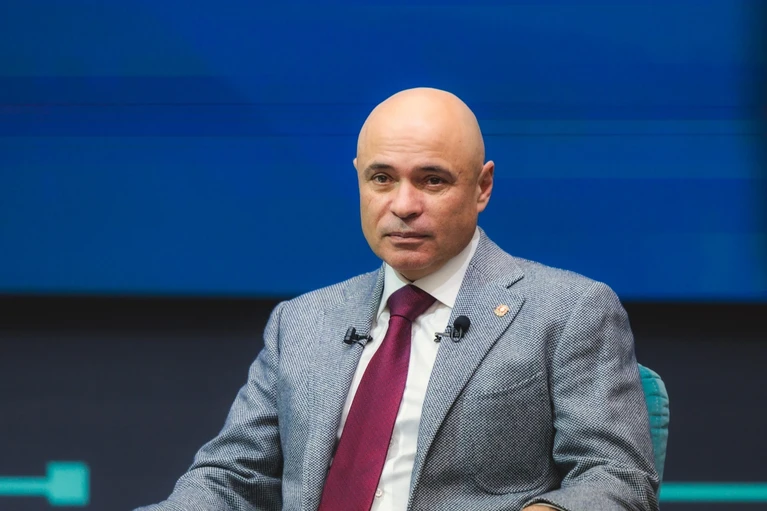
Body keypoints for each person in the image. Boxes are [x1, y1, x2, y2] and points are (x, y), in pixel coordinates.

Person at [136, 88, 659, 511]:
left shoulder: (568, 311)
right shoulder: (300, 322)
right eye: (382, 179)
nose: (404, 205)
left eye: (432, 180)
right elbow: (232, 478)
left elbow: (617, 479)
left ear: (482, 187)